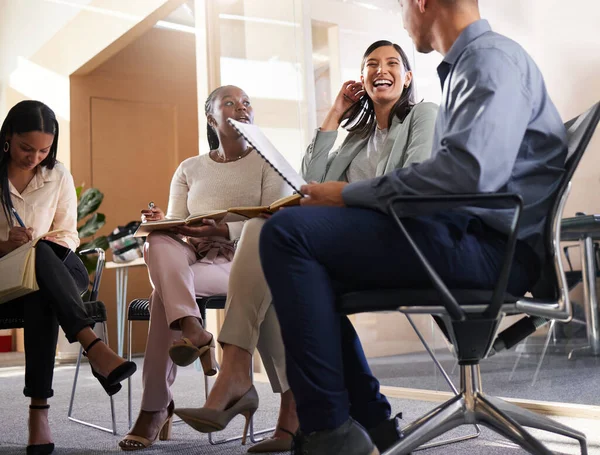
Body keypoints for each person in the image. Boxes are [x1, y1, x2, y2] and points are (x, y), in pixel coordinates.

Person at [258, 0, 568, 453]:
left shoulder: (488, 61)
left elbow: (466, 175)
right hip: (476, 238)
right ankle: (370, 423)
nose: (404, 15)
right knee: (305, 256)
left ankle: (329, 433)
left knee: (287, 234)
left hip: (488, 250)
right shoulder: (477, 64)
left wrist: (346, 195)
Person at [173, 42, 437, 454]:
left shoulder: (423, 115)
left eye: (391, 64)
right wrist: (334, 115)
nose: (380, 70)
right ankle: (360, 415)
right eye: (371, 65)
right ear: (361, 78)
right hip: (357, 242)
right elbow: (307, 180)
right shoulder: (356, 136)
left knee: (280, 249)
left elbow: (411, 180)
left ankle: (242, 376)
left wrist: (342, 193)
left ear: (406, 77)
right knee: (276, 246)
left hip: (400, 239)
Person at [119, 85, 291, 451]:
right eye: (229, 102)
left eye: (247, 102)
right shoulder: (189, 168)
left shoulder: (268, 161)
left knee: (164, 293)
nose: (241, 107)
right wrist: (164, 221)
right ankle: (193, 328)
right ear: (212, 118)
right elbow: (180, 222)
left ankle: (155, 406)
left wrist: (224, 229)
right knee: (157, 242)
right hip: (193, 257)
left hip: (244, 262)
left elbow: (274, 224)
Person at [0, 100, 137, 455]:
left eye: (44, 149)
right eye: (26, 148)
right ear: (8, 137)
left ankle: (46, 406)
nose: (34, 157)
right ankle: (91, 351)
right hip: (7, 277)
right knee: (40, 295)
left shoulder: (57, 174)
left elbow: (69, 234)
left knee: (42, 258)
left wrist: (39, 246)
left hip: (59, 265)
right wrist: (5, 244)